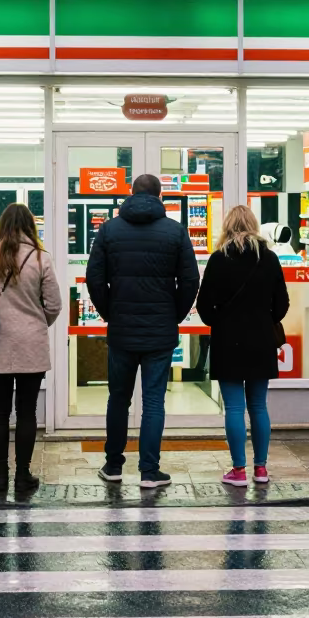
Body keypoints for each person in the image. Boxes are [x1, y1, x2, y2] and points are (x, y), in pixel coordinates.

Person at [85, 173, 200, 489]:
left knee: (118, 398)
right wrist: (172, 315)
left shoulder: (109, 230)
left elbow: (95, 278)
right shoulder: (175, 232)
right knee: (153, 401)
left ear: (130, 194)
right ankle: (149, 470)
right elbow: (190, 281)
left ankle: (113, 465)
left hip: (122, 330)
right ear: (160, 196)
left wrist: (111, 312)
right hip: (160, 332)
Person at [0, 203, 61, 493]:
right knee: (27, 412)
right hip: (31, 343)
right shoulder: (41, 258)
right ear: (30, 226)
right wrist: (35, 321)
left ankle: (0, 475)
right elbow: (55, 304)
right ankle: (22, 475)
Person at [197, 206, 289, 486]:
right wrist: (264, 320)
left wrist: (220, 321)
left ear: (227, 227)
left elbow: (203, 305)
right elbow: (282, 304)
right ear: (254, 226)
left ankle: (238, 471)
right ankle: (260, 469)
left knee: (234, 408)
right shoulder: (270, 259)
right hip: (261, 341)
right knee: (259, 406)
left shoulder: (218, 259)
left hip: (228, 341)